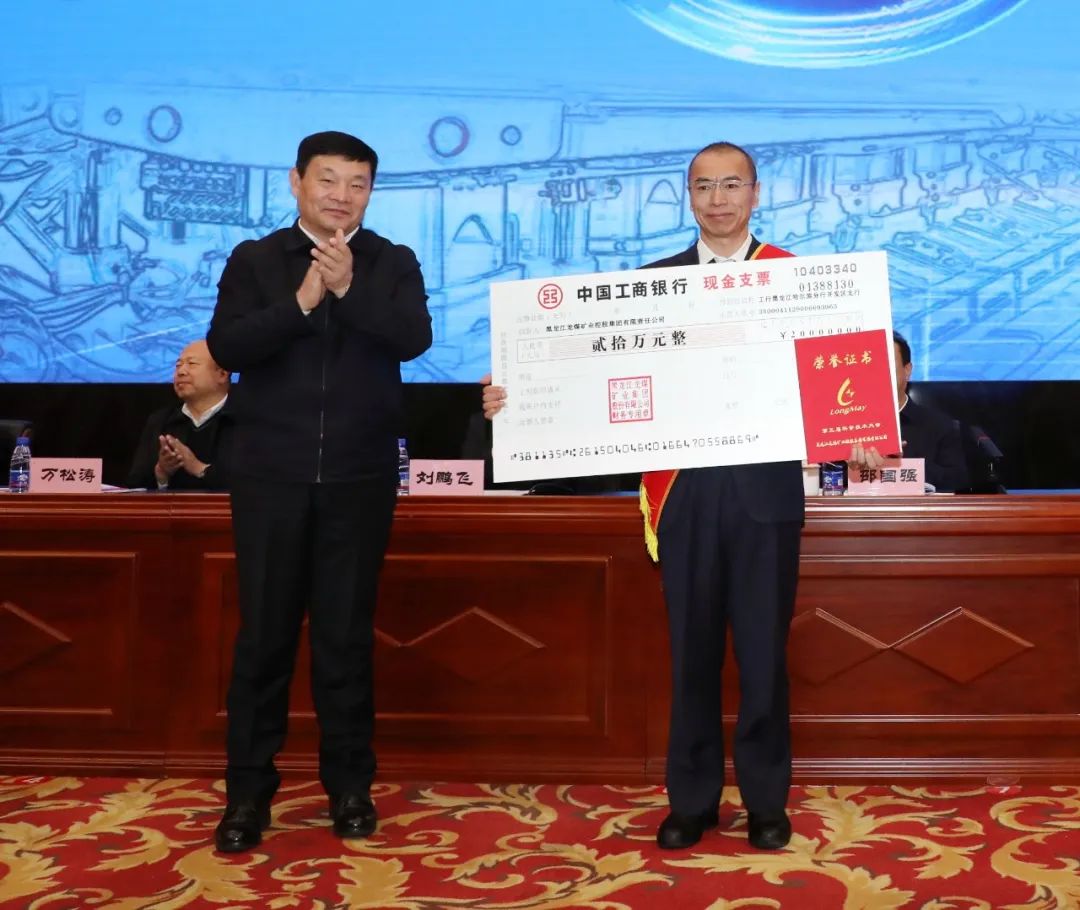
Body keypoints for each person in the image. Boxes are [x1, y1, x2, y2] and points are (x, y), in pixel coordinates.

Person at [484, 142, 802, 851]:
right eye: (703, 187)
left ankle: (765, 802)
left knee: (763, 659)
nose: (718, 200)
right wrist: (519, 397)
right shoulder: (650, 286)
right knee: (690, 658)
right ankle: (691, 800)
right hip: (683, 494)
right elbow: (595, 388)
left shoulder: (797, 280)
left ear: (756, 193)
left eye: (732, 185)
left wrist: (862, 429)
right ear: (688, 197)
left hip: (764, 498)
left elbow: (832, 380)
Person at [206, 131, 432, 853]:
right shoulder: (255, 259)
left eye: (357, 183)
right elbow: (228, 347)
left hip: (360, 478)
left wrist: (349, 291)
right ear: (296, 182)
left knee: (345, 637)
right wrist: (303, 301)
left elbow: (413, 339)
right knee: (264, 638)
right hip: (269, 476)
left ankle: (350, 788)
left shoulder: (391, 261)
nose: (342, 195)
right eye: (328, 179)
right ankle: (247, 795)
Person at [848, 331, 969, 492]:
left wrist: (901, 464)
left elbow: (958, 482)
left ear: (907, 370)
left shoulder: (940, 426)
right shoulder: (845, 426)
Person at [126, 339, 234, 490]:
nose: (181, 371)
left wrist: (199, 468)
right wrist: (161, 473)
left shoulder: (245, 419)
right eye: (178, 365)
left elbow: (257, 482)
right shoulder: (161, 421)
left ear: (222, 374)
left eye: (192, 364)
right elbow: (134, 487)